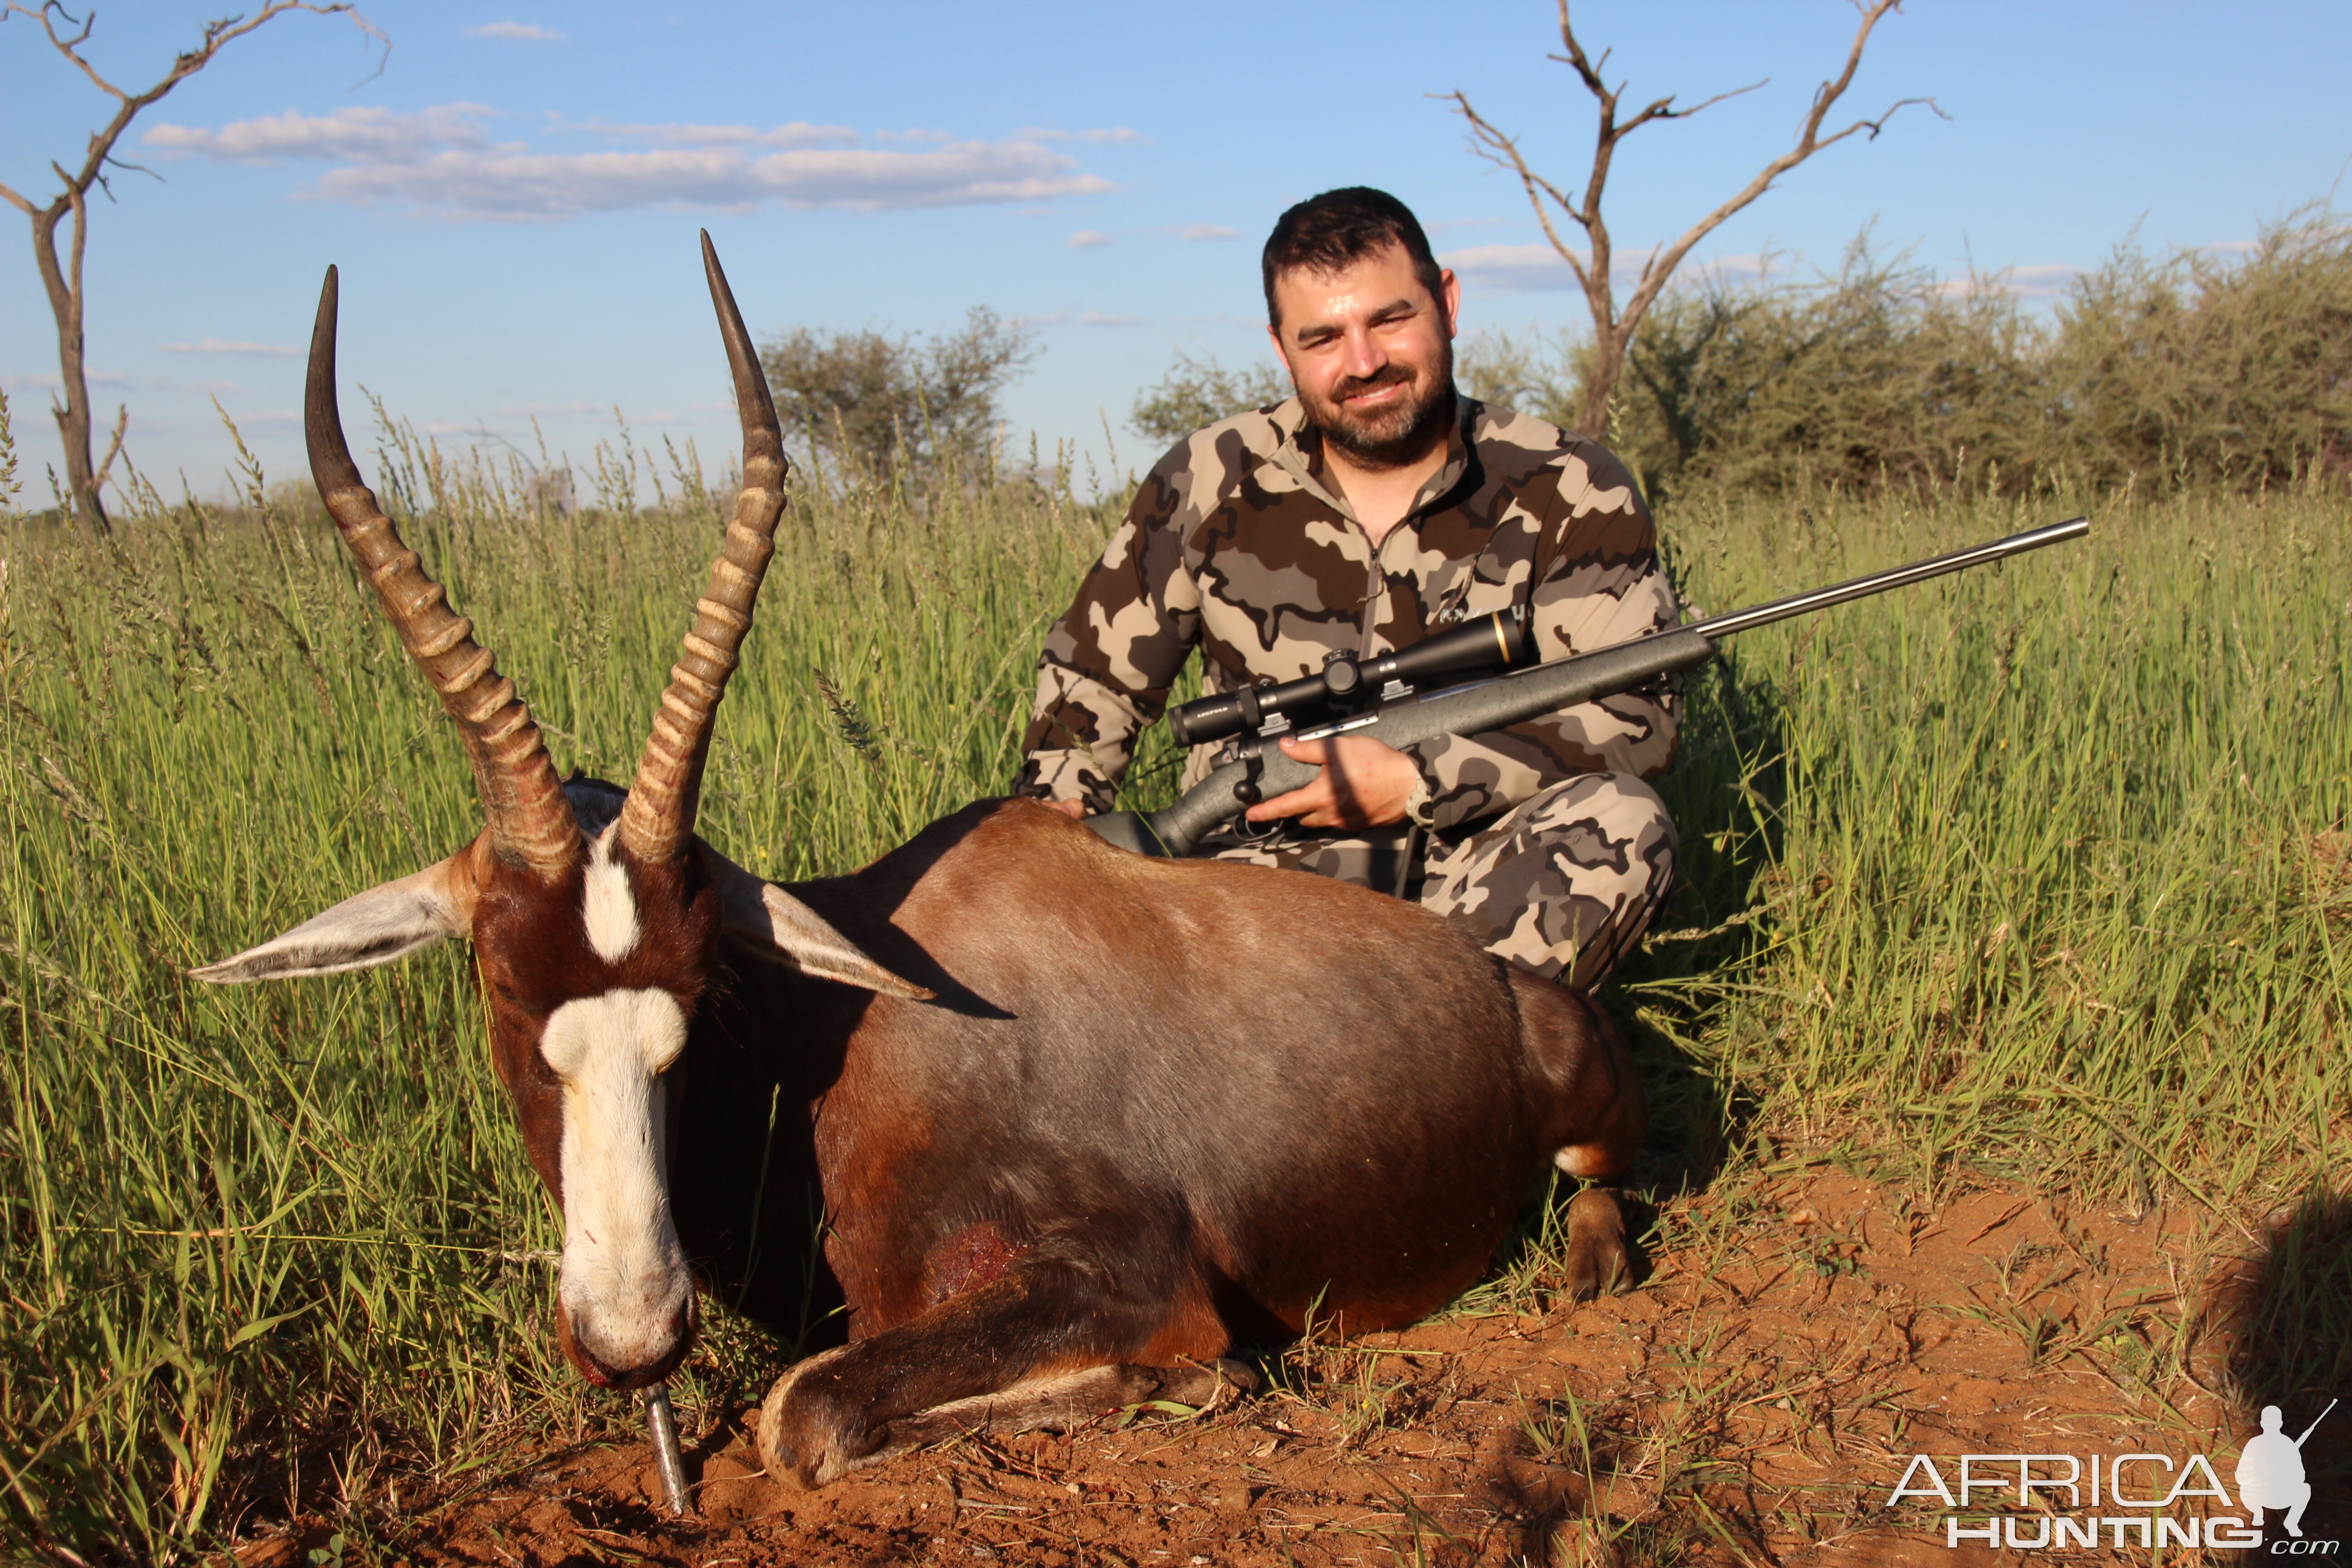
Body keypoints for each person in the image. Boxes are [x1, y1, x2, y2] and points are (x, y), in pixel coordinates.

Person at [1013, 186, 1681, 993]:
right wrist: (1054, 821)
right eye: (1323, 337)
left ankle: (1435, 1075)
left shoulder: (1569, 483)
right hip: (1244, 880)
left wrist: (1422, 779)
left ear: (1448, 302)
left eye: (1390, 320)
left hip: (1470, 881)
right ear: (1281, 348)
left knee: (1622, 821)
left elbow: (1635, 711)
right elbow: (1093, 683)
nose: (1363, 362)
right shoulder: (1207, 476)